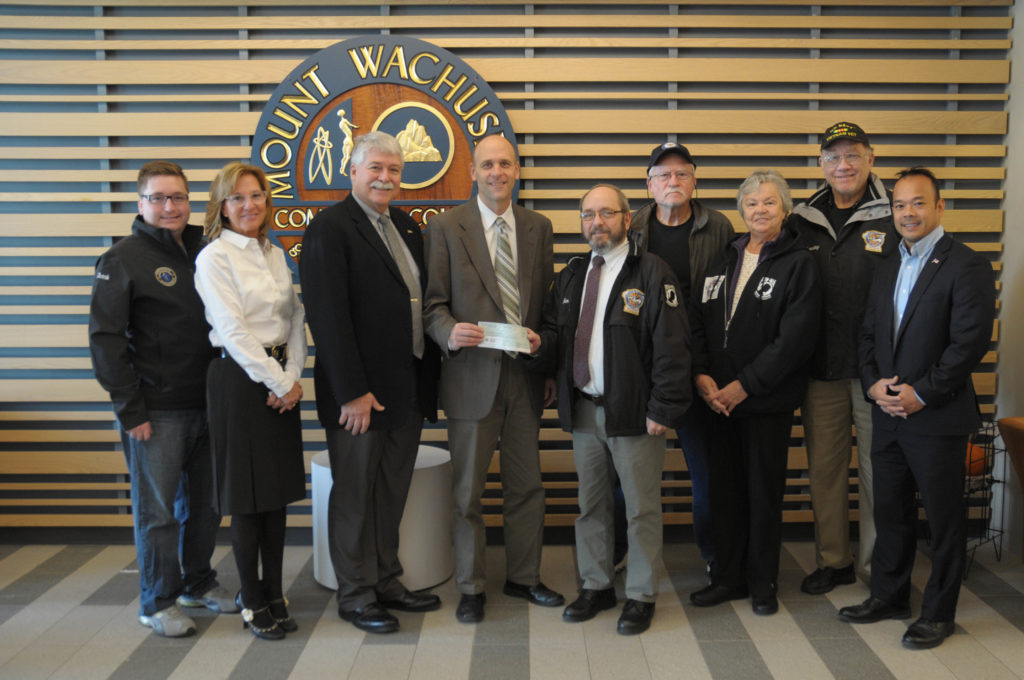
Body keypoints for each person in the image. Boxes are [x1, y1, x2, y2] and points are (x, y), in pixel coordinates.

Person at [839, 167, 995, 650]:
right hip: (887, 413)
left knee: (944, 520)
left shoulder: (966, 264)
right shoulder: (887, 263)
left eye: (918, 203)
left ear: (940, 207)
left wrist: (921, 392)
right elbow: (868, 333)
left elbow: (968, 345)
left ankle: (938, 612)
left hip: (937, 416)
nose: (907, 213)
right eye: (899, 205)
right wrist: (873, 386)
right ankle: (889, 595)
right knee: (891, 511)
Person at [300, 131, 441, 635]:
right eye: (376, 168)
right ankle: (356, 594)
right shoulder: (328, 229)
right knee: (356, 497)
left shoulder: (404, 225)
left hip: (404, 390)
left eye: (395, 170)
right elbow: (327, 318)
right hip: (359, 396)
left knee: (390, 493)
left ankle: (386, 579)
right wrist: (352, 392)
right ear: (353, 172)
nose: (386, 177)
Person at [89, 161, 234, 638]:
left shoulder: (207, 246)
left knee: (208, 506)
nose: (169, 207)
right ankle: (157, 600)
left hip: (209, 404)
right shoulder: (122, 259)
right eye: (158, 198)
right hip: (156, 413)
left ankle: (198, 582)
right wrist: (130, 411)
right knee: (159, 515)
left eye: (177, 197)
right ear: (141, 204)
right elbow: (105, 342)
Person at [424, 133, 563, 623]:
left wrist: (545, 353)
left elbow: (547, 307)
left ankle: (524, 577)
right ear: (473, 172)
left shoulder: (537, 227)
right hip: (469, 378)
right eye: (487, 165)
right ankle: (471, 586)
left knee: (528, 486)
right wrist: (448, 332)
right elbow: (432, 304)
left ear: (517, 170)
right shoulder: (445, 227)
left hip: (524, 379)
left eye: (505, 164)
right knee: (467, 493)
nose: (497, 173)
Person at [542, 184, 691, 635]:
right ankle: (597, 584)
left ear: (628, 220)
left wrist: (663, 408)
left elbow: (673, 347)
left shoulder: (651, 272)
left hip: (635, 413)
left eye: (607, 213)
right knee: (591, 505)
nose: (597, 222)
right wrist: (536, 346)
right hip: (585, 409)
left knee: (641, 508)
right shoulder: (572, 274)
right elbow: (556, 333)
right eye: (588, 214)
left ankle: (641, 594)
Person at [688, 170, 820, 615]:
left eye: (769, 203)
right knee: (723, 492)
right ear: (741, 211)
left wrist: (744, 386)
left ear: (784, 209)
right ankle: (728, 577)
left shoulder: (799, 262)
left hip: (764, 402)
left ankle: (763, 582)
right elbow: (700, 322)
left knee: (763, 495)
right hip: (716, 402)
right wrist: (703, 376)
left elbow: (794, 339)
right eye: (751, 204)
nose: (760, 210)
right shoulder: (724, 259)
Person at [194, 162, 307, 641]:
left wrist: (295, 375)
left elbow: (295, 316)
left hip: (282, 379)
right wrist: (277, 381)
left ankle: (275, 592)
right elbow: (235, 331)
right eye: (238, 198)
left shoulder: (274, 252)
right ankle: (251, 597)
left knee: (276, 497)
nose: (249, 205)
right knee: (247, 500)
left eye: (256, 195)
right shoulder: (214, 257)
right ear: (223, 206)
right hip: (240, 382)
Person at [789, 122, 897, 594]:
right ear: (821, 165)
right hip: (821, 370)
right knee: (825, 472)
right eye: (833, 157)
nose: (844, 165)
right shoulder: (802, 217)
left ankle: (877, 569)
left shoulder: (896, 214)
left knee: (879, 474)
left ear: (871, 158)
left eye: (853, 154)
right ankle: (833, 562)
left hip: (879, 372)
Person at [629, 141, 734, 574]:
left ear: (695, 179)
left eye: (682, 173)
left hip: (699, 364)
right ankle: (624, 551)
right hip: (641, 368)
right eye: (664, 175)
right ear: (649, 184)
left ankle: (713, 555)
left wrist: (710, 368)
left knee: (706, 473)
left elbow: (728, 301)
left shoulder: (719, 227)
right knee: (630, 472)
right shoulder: (631, 225)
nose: (673, 182)